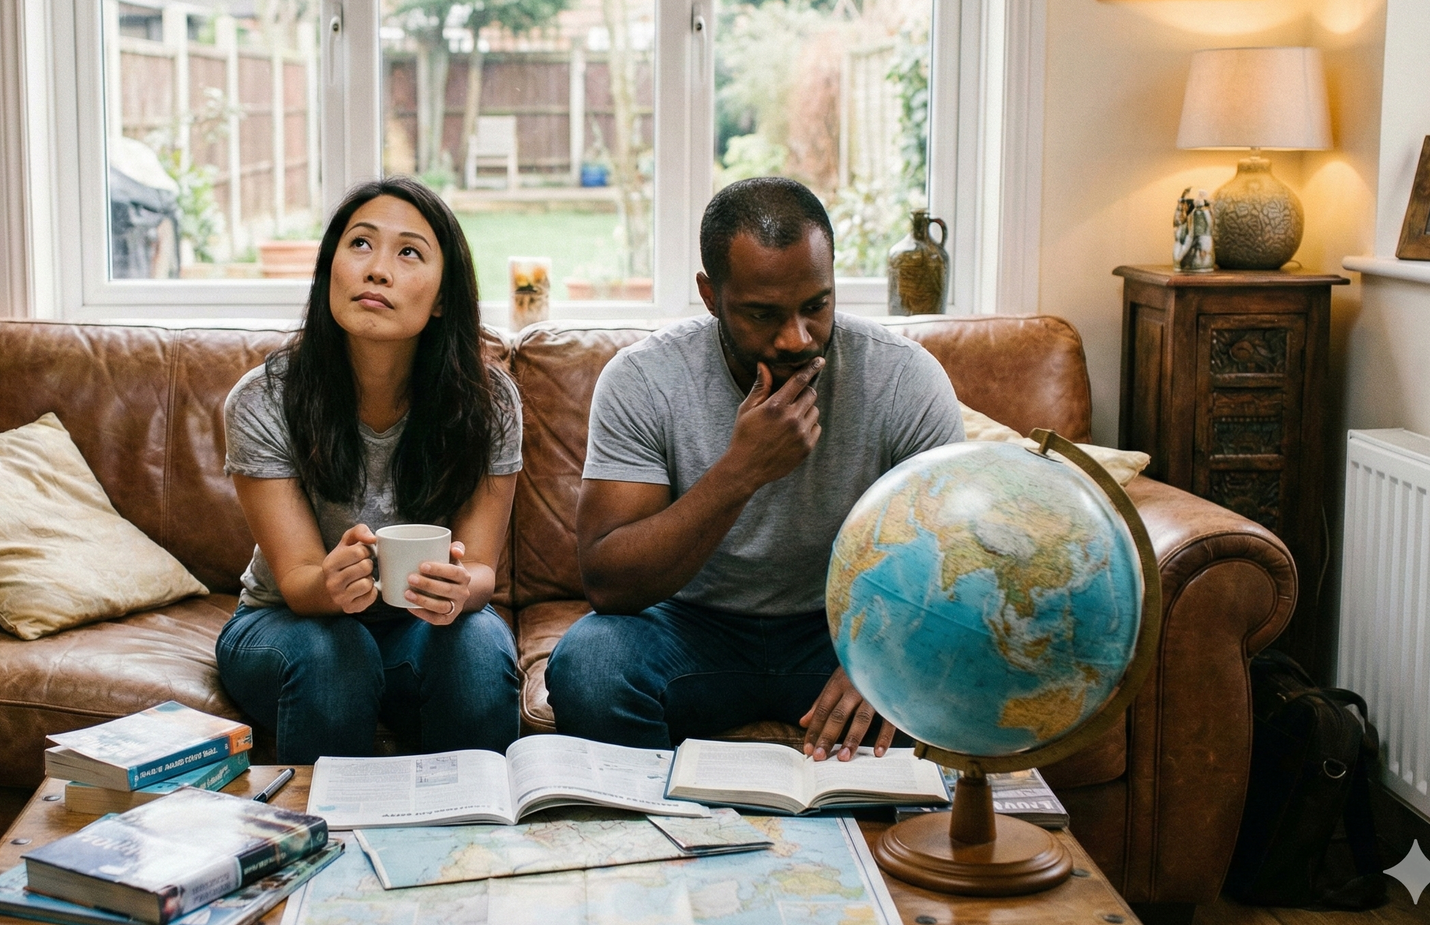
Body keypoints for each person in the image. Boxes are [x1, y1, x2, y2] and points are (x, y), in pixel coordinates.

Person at [547, 177, 964, 761]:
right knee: (590, 665)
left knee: (953, 663)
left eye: (816, 305)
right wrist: (740, 472)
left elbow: (953, 561)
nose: (797, 337)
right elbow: (609, 584)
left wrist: (883, 652)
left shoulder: (903, 378)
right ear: (710, 294)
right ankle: (662, 837)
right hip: (691, 629)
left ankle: (868, 842)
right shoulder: (642, 380)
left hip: (844, 631)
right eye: (763, 314)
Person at [215, 177, 522, 765]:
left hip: (416, 632)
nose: (377, 269)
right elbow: (300, 582)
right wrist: (330, 580)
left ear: (441, 299)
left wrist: (461, 590)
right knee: (339, 655)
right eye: (360, 244)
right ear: (329, 268)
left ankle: (474, 846)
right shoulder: (263, 400)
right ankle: (326, 846)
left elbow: (481, 569)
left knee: (480, 644)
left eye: (408, 252)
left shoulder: (490, 403)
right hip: (285, 626)